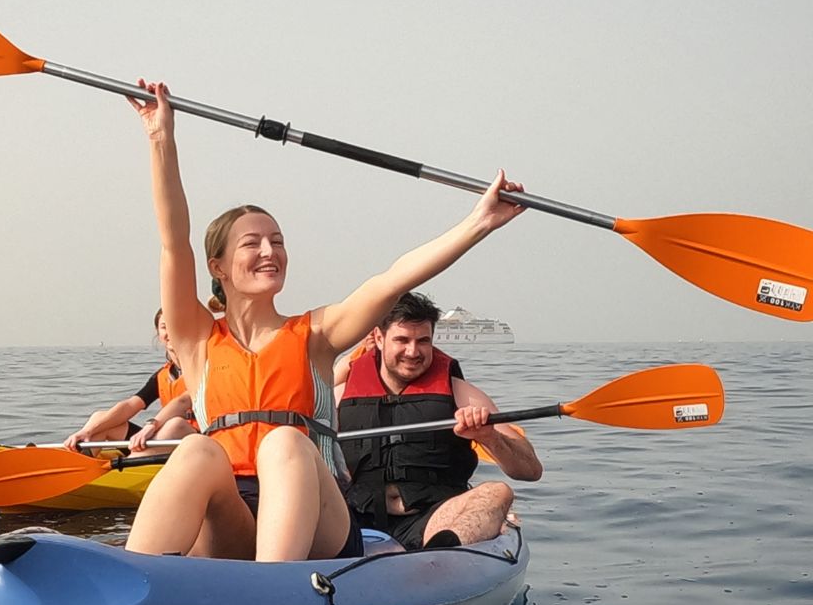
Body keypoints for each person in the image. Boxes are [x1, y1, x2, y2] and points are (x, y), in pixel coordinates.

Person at [123, 80, 527, 563]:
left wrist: (478, 221)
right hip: (234, 517)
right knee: (195, 451)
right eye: (252, 243)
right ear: (218, 266)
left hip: (318, 522)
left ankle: (278, 596)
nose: (270, 251)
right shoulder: (195, 337)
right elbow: (173, 239)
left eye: (277, 240)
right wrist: (160, 138)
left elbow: (392, 280)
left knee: (285, 444)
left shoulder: (315, 335)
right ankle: (129, 582)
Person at [337, 291, 542, 549]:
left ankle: (438, 559)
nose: (413, 351)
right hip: (355, 520)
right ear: (379, 337)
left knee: (498, 492)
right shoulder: (340, 394)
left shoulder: (462, 394)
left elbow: (531, 470)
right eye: (402, 340)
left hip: (433, 519)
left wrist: (488, 436)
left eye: (423, 341)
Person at [63, 309, 196, 454]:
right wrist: (87, 431)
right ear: (158, 334)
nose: (170, 332)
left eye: (175, 325)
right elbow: (131, 405)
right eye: (165, 327)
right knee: (99, 418)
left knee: (175, 424)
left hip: (195, 442)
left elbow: (183, 402)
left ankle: (130, 465)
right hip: (164, 438)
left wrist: (151, 425)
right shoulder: (162, 375)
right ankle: (81, 463)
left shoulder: (201, 368)